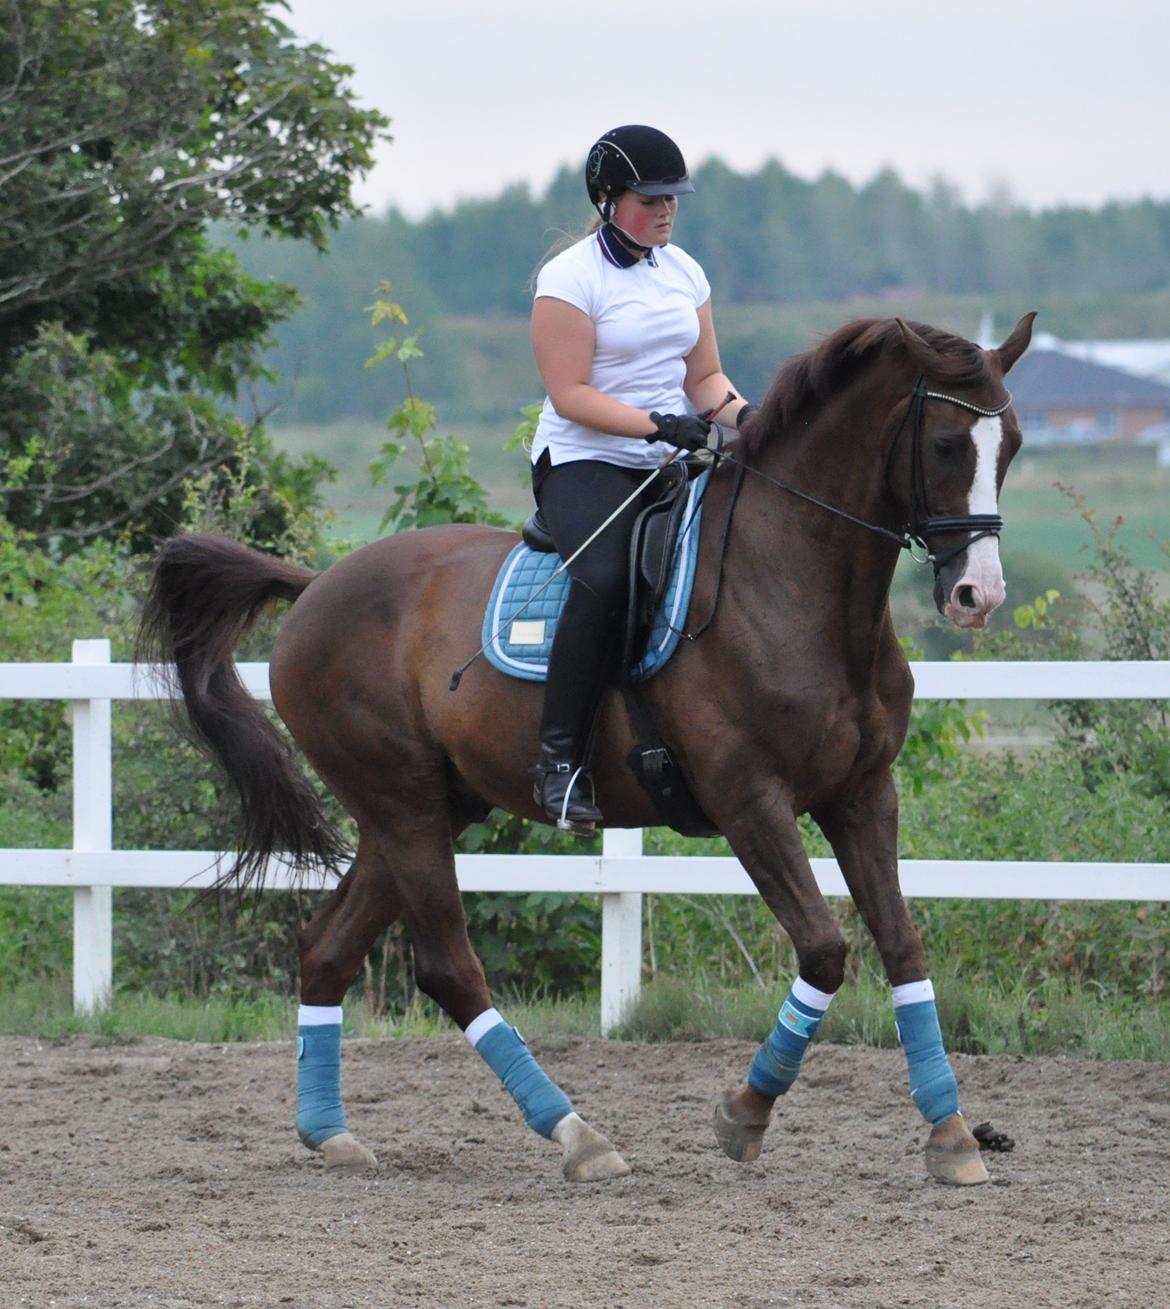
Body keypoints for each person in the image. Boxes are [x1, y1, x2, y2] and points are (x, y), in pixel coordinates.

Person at [528, 123, 755, 834]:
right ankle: (559, 762)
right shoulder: (569, 279)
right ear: (606, 198)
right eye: (650, 197)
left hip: (666, 456)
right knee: (606, 575)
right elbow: (570, 394)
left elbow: (707, 379)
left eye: (674, 198)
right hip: (583, 460)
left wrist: (756, 424)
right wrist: (658, 424)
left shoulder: (684, 272)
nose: (665, 210)